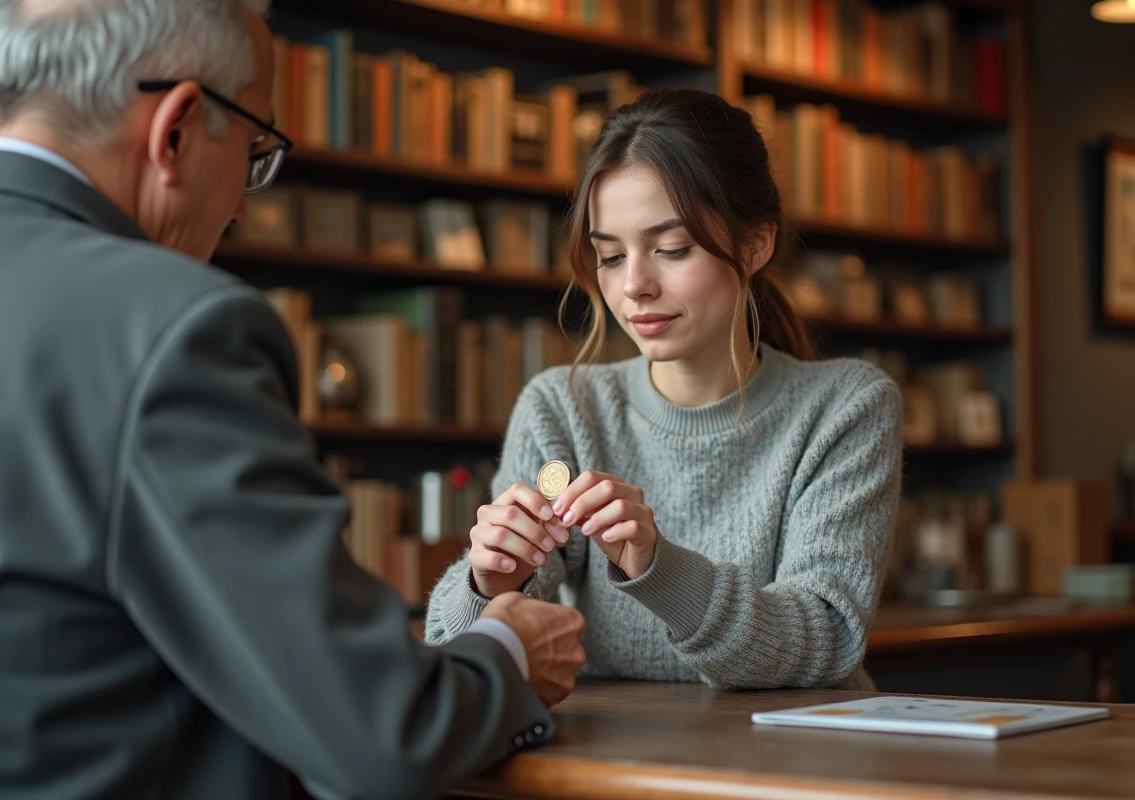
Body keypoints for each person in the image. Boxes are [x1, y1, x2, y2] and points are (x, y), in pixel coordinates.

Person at [0, 1, 586, 798]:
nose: (244, 205)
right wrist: (507, 652)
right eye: (252, 151)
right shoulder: (169, 326)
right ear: (175, 128)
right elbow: (380, 734)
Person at [426, 87, 902, 692]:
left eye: (671, 249)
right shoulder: (562, 408)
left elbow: (827, 639)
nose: (634, 286)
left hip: (790, 766)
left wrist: (661, 569)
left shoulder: (845, 407)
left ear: (755, 244)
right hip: (611, 769)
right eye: (610, 256)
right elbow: (455, 660)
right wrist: (488, 582)